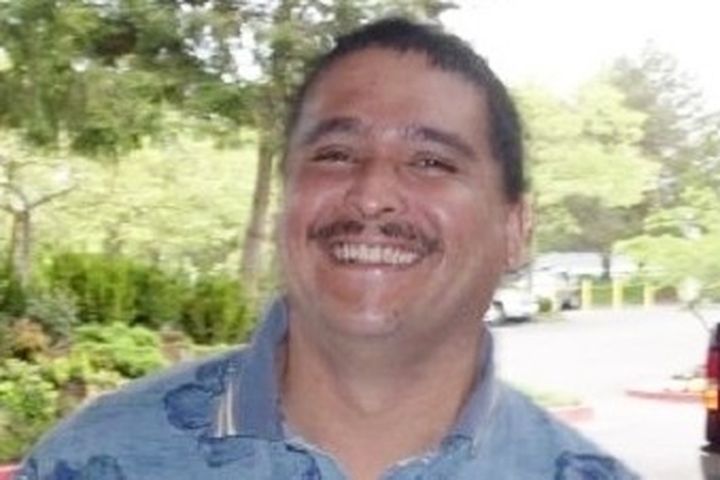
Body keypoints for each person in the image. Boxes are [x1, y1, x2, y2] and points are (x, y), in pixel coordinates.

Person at [17, 18, 638, 480]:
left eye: (431, 161)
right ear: (285, 198)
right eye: (335, 154)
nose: (371, 195)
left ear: (516, 226)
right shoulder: (92, 462)